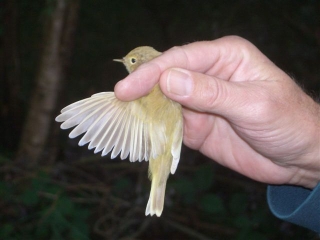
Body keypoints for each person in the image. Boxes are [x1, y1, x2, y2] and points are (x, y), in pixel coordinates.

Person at [114, 36, 320, 232]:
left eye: (132, 61)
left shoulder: (154, 86)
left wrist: (307, 161)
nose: (127, 64)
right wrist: (307, 166)